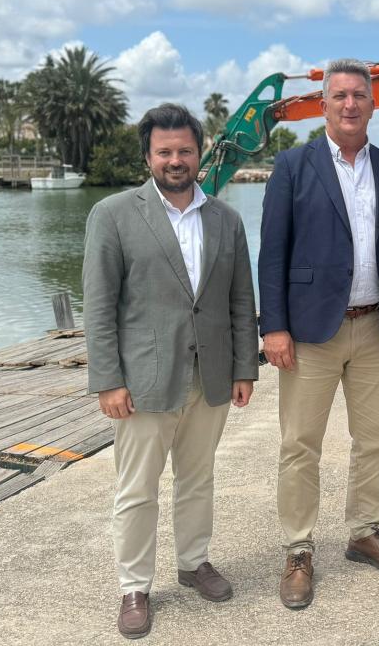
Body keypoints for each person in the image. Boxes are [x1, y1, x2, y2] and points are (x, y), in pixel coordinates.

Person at [83, 103, 258, 640]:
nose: (175, 160)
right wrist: (108, 380)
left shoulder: (225, 218)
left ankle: (193, 562)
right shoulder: (113, 214)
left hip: (211, 376)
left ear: (200, 153)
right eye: (164, 152)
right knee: (136, 489)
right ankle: (134, 586)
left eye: (185, 150)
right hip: (143, 381)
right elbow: (99, 305)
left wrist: (244, 367)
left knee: (198, 478)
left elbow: (239, 299)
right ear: (148, 157)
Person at [258, 58, 379, 610]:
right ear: (323, 104)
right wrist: (274, 327)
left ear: (373, 105)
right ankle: (298, 549)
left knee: (376, 439)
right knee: (300, 444)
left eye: (359, 96)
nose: (350, 104)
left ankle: (365, 532)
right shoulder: (293, 165)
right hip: (311, 331)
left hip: (378, 326)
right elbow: (273, 253)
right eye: (340, 96)